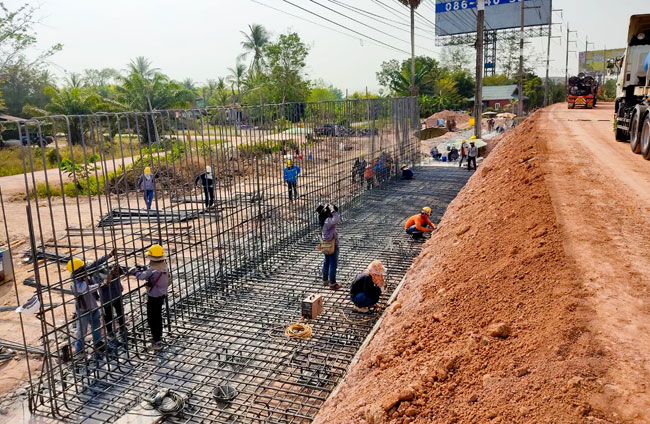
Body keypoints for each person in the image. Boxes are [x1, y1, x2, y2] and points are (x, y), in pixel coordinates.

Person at [68, 248, 116, 357]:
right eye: (82, 268)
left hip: (93, 306)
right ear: (77, 270)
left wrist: (109, 255)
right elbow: (86, 289)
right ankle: (79, 349)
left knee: (96, 326)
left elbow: (95, 264)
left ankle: (98, 343)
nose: (84, 269)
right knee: (81, 331)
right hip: (83, 310)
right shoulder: (74, 283)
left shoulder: (82, 274)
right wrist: (101, 284)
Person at [129, 244, 169, 352]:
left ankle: (157, 342)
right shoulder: (164, 266)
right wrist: (143, 267)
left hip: (154, 297)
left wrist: (134, 271)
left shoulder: (152, 270)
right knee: (158, 317)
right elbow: (151, 270)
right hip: (161, 295)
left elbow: (142, 276)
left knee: (152, 319)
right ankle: (158, 337)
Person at [98, 263, 125, 344]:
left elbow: (122, 273)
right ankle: (110, 332)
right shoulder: (97, 276)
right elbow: (103, 285)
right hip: (107, 298)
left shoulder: (109, 270)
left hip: (116, 294)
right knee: (109, 316)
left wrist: (117, 270)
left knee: (120, 312)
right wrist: (111, 275)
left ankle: (122, 327)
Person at [321, 204, 341, 290]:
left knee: (327, 262)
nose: (334, 214)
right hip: (331, 245)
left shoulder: (324, 220)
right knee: (333, 264)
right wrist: (333, 210)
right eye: (332, 213)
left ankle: (325, 280)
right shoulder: (328, 221)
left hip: (325, 244)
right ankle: (332, 283)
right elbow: (336, 219)